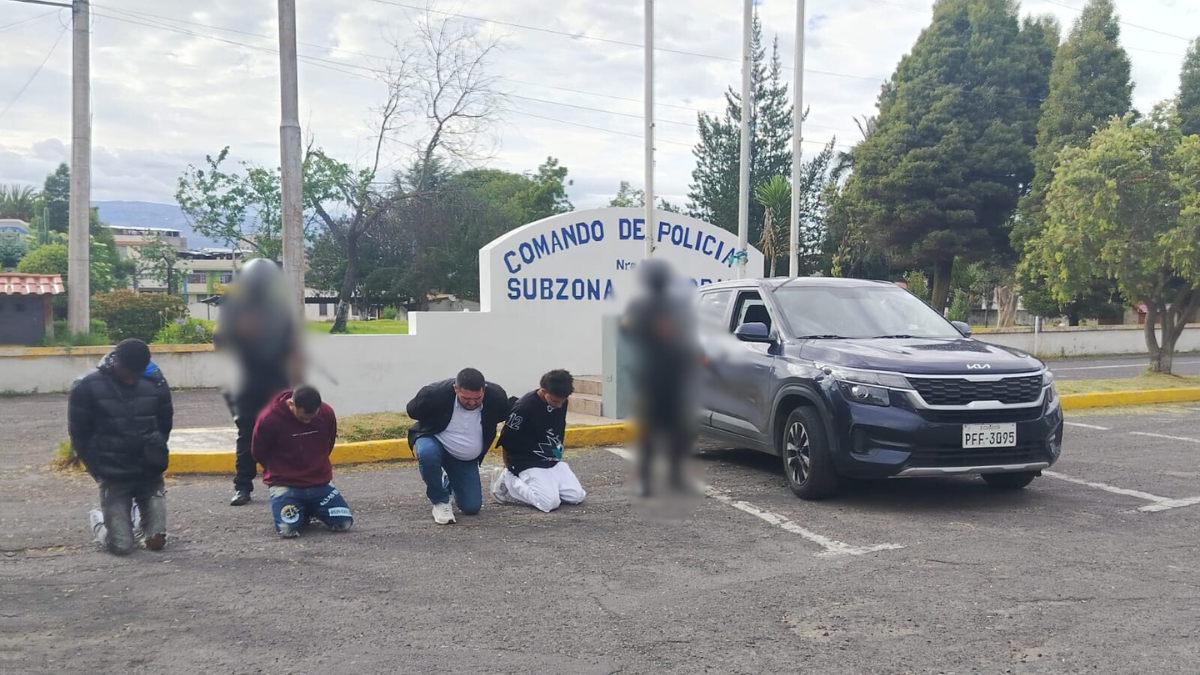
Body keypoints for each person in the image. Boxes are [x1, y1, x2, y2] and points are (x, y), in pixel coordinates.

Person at [69, 339, 174, 555]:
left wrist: (156, 448)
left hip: (149, 471)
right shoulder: (86, 386)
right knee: (121, 547)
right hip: (113, 474)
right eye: (127, 371)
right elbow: (79, 434)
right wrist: (97, 469)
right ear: (115, 360)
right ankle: (99, 519)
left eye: (137, 372)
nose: (131, 377)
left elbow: (165, 423)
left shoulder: (156, 383)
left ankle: (134, 523)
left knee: (156, 541)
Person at [214, 257, 303, 506]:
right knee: (246, 435)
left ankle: (288, 482)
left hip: (277, 380)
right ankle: (243, 486)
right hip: (248, 380)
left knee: (285, 432)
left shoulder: (280, 308)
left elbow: (291, 346)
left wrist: (295, 382)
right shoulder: (235, 307)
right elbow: (223, 342)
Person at [619, 258, 702, 497]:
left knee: (680, 431)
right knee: (649, 432)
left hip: (676, 376)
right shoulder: (639, 305)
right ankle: (644, 481)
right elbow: (627, 330)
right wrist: (650, 328)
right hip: (651, 378)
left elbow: (688, 333)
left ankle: (676, 478)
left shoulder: (676, 305)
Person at [407, 368, 510, 524]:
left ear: (484, 390)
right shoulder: (434, 394)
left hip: (464, 457)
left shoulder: (496, 397)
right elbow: (412, 410)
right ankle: (440, 501)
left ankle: (450, 479)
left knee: (471, 507)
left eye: (478, 398)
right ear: (455, 389)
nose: (472, 402)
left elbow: (504, 414)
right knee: (427, 453)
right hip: (437, 442)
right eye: (466, 398)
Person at [250, 384, 352, 538]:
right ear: (291, 404)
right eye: (303, 417)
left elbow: (328, 443)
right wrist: (279, 470)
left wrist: (317, 464)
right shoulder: (269, 419)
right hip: (285, 485)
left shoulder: (326, 413)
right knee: (287, 530)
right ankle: (301, 511)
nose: (307, 421)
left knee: (344, 523)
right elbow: (258, 451)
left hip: (319, 483)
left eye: (312, 418)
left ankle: (310, 509)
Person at [491, 369, 586, 513]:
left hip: (551, 458)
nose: (559, 405)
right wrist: (508, 466)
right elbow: (507, 439)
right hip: (526, 462)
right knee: (549, 503)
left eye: (562, 401)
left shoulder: (560, 401)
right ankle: (508, 478)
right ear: (543, 391)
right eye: (555, 401)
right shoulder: (523, 408)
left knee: (577, 496)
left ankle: (547, 485)